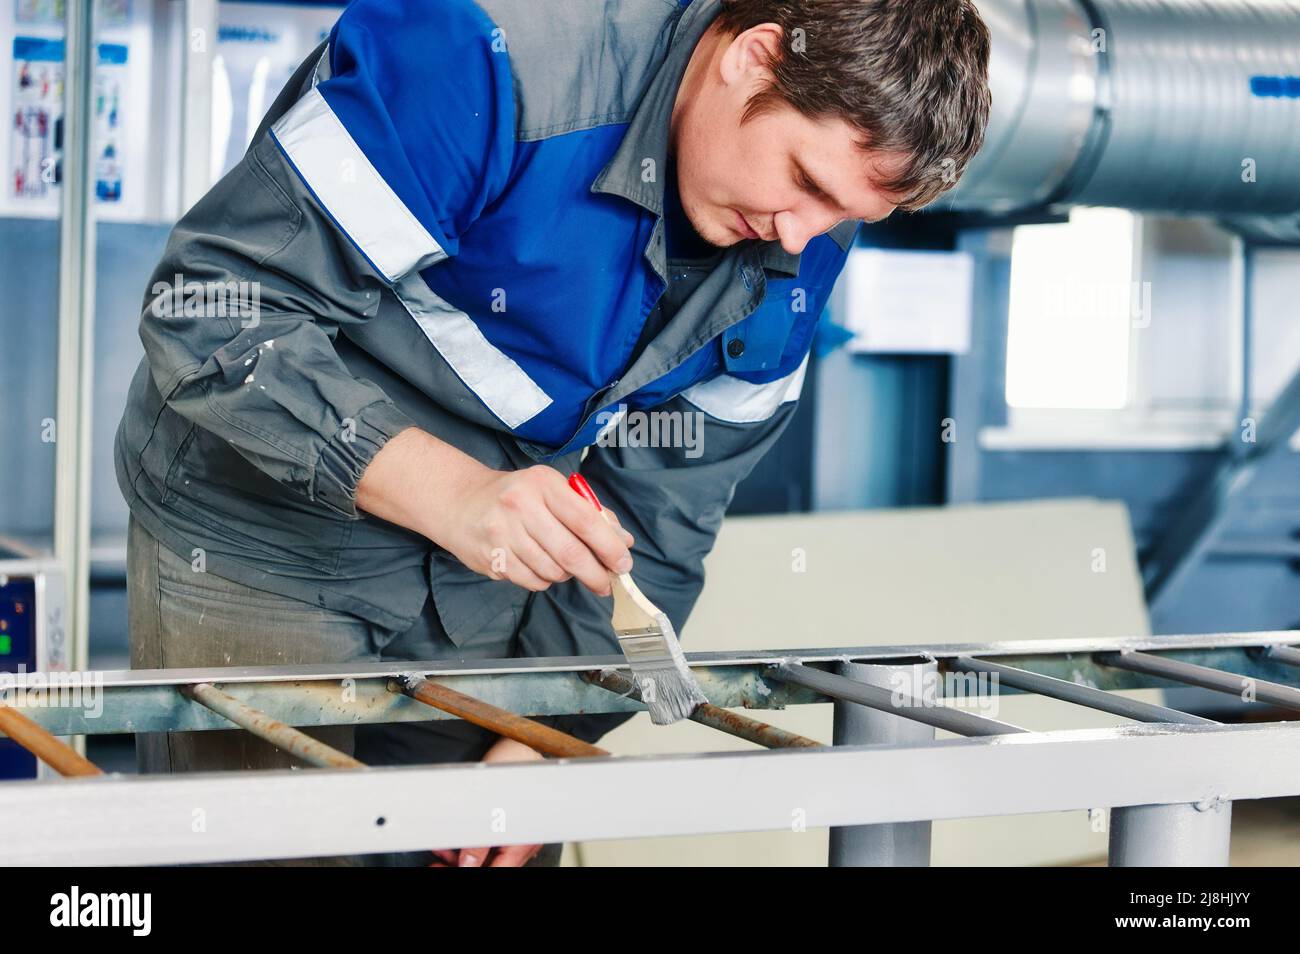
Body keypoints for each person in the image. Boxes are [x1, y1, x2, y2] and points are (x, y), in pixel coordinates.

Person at [115, 0, 991, 866]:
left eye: (842, 215)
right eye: (804, 179)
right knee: (268, 851)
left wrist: (541, 743)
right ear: (754, 56)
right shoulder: (484, 55)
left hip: (486, 577)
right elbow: (213, 309)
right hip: (261, 538)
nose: (802, 236)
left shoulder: (804, 245)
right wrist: (448, 491)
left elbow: (659, 521)